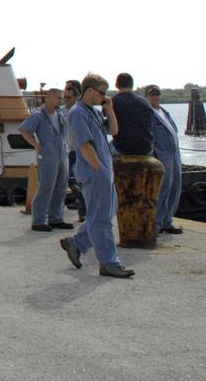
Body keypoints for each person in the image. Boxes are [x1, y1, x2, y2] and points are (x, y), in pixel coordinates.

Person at [60, 73, 134, 277]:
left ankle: (77, 243)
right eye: (102, 93)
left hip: (104, 170)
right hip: (96, 172)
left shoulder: (92, 111)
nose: (105, 96)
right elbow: (84, 145)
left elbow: (114, 131)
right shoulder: (77, 113)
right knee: (102, 219)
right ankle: (109, 262)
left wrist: (109, 109)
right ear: (90, 90)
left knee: (105, 212)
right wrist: (100, 170)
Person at [18, 88, 71, 232]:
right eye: (58, 98)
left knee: (61, 187)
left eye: (61, 98)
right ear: (48, 98)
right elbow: (24, 129)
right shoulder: (38, 116)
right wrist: (36, 144)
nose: (60, 100)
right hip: (47, 155)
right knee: (46, 186)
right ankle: (38, 220)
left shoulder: (60, 114)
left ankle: (56, 218)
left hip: (62, 154)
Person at [145, 85, 183, 235]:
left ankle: (167, 221)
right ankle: (156, 224)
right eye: (151, 95)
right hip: (162, 154)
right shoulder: (148, 114)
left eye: (157, 94)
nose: (155, 97)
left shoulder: (165, 112)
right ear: (146, 97)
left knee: (175, 186)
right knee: (163, 188)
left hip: (175, 153)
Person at [110, 71, 154, 156]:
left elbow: (108, 127)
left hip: (122, 149)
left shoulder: (112, 102)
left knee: (104, 149)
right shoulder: (145, 102)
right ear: (132, 85)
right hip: (145, 148)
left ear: (116, 85)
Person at [63, 79, 86, 222]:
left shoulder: (80, 111)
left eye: (68, 95)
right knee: (71, 181)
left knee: (77, 181)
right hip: (68, 152)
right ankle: (82, 207)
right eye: (64, 95)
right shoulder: (61, 112)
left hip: (80, 151)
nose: (65, 98)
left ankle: (83, 210)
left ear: (78, 95)